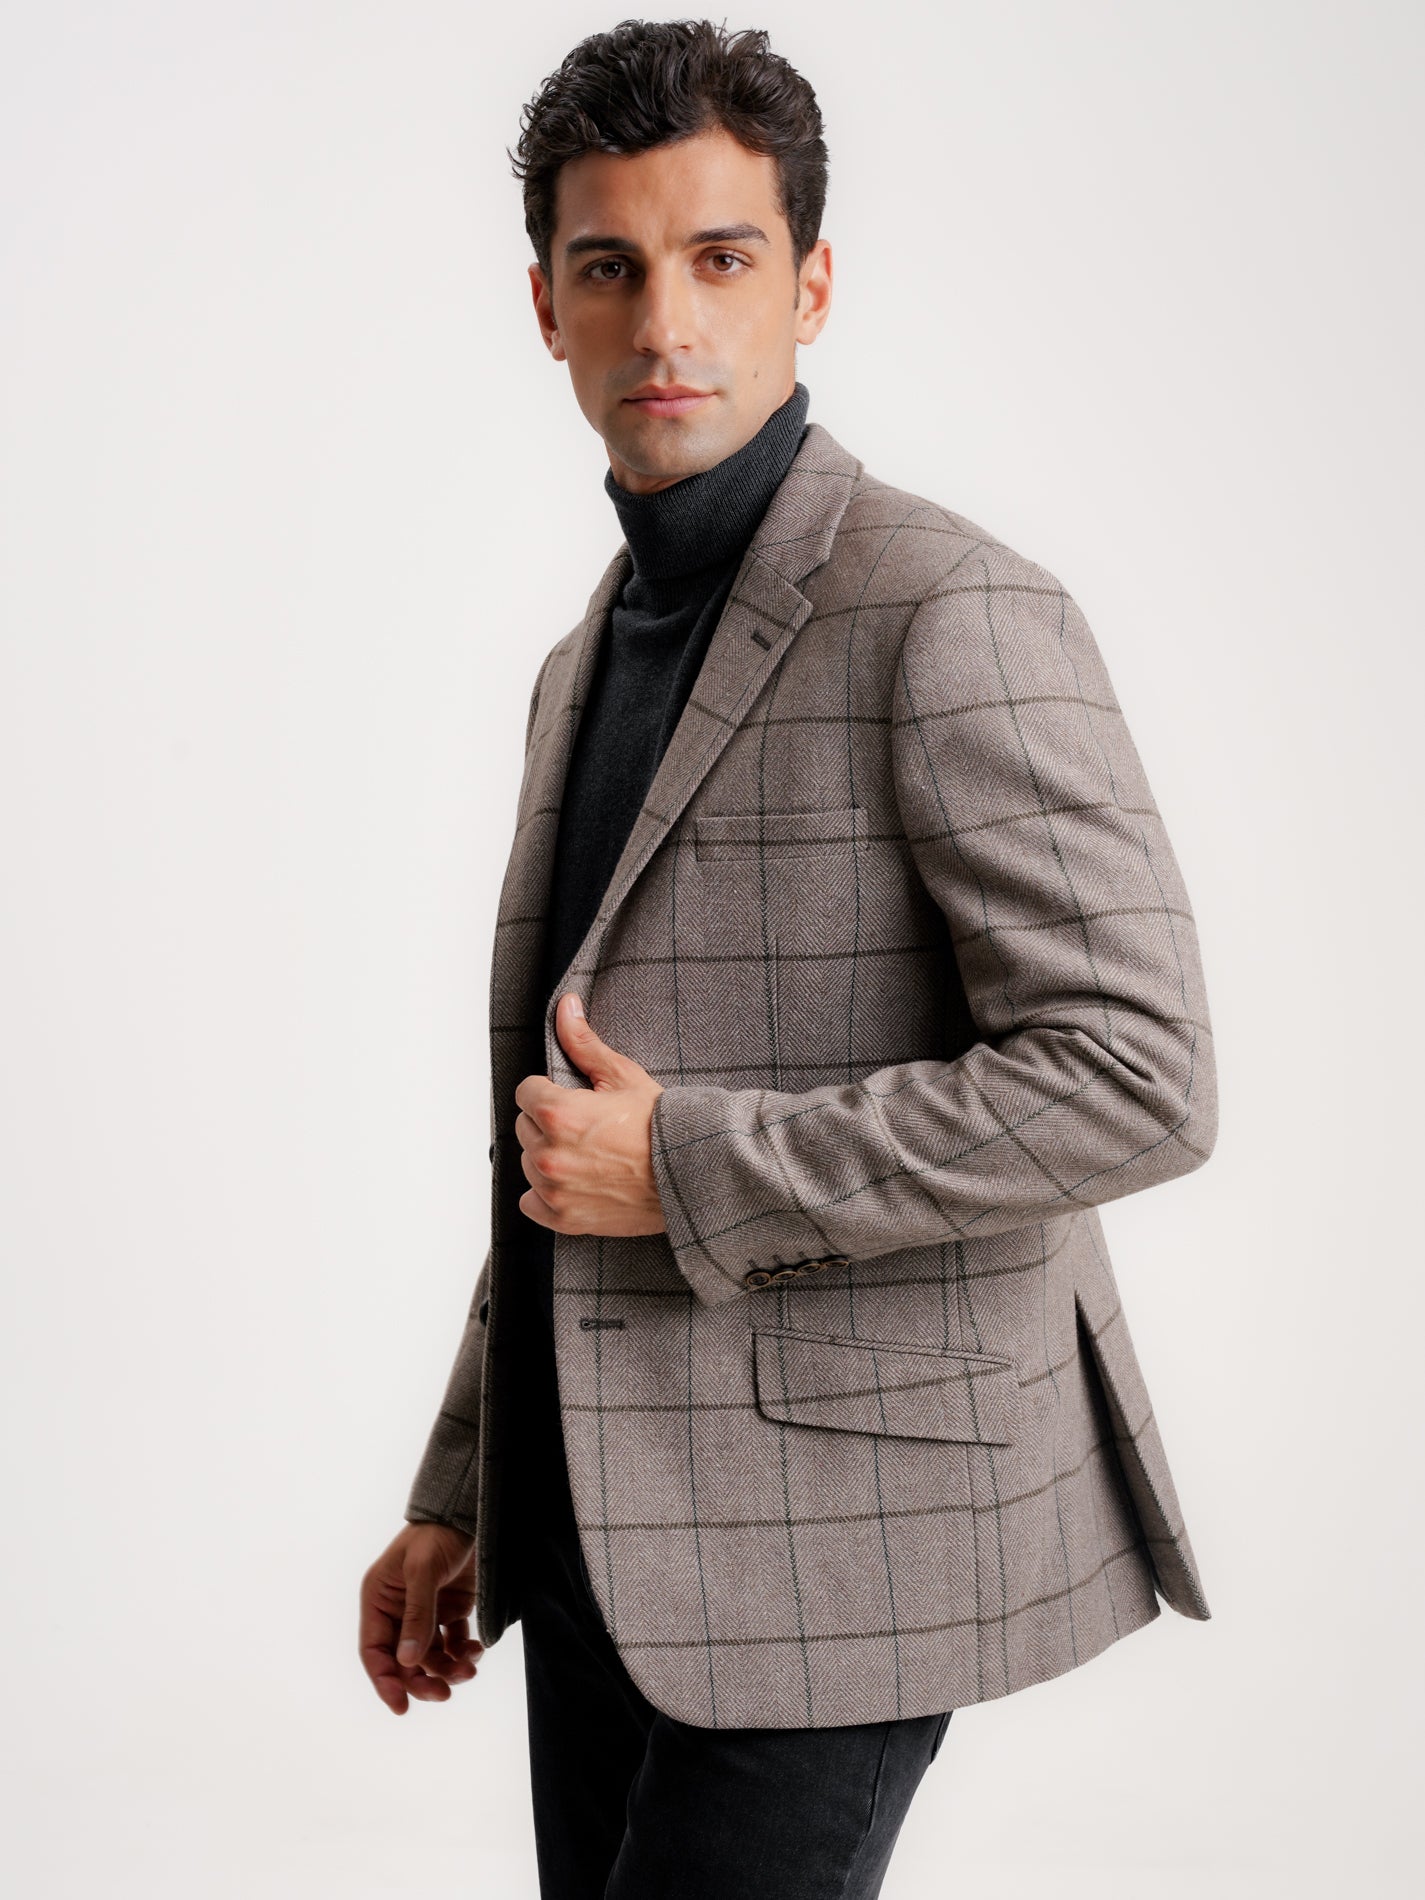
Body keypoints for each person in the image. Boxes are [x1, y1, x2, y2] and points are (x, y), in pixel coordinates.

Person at [359, 20, 1218, 1898]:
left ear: (810, 286)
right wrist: (466, 1486)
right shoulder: (579, 662)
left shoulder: (948, 609)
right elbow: (563, 1138)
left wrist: (690, 1167)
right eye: (610, 266)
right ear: (547, 308)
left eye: (721, 257)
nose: (664, 320)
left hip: (845, 1534)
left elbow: (1136, 1077)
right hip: (593, 1531)